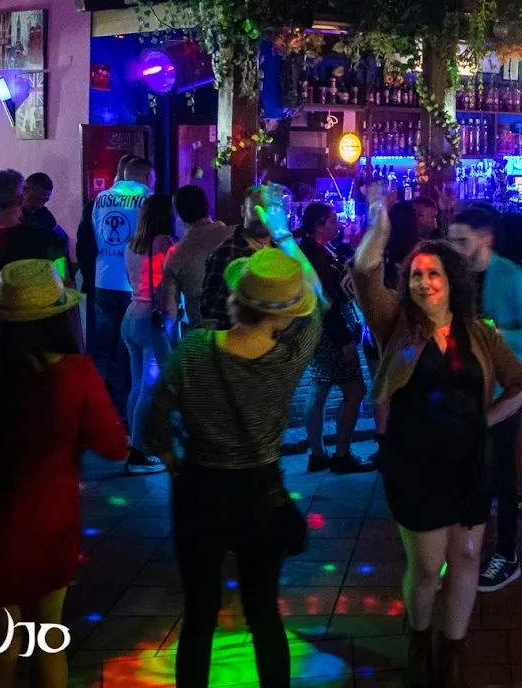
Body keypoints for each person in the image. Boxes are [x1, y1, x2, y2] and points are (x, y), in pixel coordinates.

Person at [350, 182, 522, 688]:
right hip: (415, 462)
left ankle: (452, 654)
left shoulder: (479, 332)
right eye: (416, 274)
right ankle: (420, 636)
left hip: (469, 460)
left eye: (434, 274)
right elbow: (364, 273)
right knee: (428, 568)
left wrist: (485, 421)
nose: (424, 282)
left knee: (468, 556)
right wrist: (379, 220)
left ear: (452, 280)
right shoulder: (395, 325)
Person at [144, 190, 327, 688]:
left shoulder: (195, 350)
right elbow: (320, 300)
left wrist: (173, 460)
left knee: (199, 614)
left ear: (236, 298)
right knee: (263, 611)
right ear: (284, 314)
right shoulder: (287, 359)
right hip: (259, 491)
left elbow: (151, 424)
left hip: (199, 490)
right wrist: (284, 233)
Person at [0, 260, 127, 688]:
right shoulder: (77, 373)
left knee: (1, 644)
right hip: (50, 521)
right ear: (58, 317)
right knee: (48, 639)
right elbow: (114, 445)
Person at [446, 204, 522, 592]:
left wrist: (498, 334)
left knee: (503, 477)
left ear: (485, 238)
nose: (454, 247)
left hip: (504, 392)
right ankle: (462, 551)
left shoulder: (511, 277)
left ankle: (506, 553)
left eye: (462, 240)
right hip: (462, 389)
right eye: (451, 240)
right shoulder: (454, 276)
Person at [0, 170, 68, 361]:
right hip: (35, 337)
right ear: (22, 195)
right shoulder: (49, 239)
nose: (40, 204)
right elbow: (63, 284)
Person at [297, 202, 372, 475]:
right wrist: (343, 341)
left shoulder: (316, 249)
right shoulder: (315, 256)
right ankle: (341, 454)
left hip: (317, 329)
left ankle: (317, 453)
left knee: (319, 387)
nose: (337, 224)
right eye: (331, 221)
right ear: (318, 225)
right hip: (331, 331)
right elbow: (327, 303)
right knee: (355, 390)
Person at [89, 157, 153, 416]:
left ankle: (93, 407)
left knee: (101, 349)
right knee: (127, 350)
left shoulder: (101, 198)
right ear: (147, 177)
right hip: (132, 282)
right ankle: (120, 410)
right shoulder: (147, 199)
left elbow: (95, 233)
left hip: (103, 280)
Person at [123, 194, 176, 474]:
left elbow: (131, 279)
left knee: (136, 386)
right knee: (151, 389)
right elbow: (169, 283)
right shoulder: (165, 243)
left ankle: (135, 441)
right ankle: (139, 453)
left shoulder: (132, 243)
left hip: (131, 315)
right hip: (152, 322)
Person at [196, 185, 280, 331]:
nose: (261, 216)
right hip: (241, 339)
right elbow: (210, 306)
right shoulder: (226, 252)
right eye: (255, 209)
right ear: (243, 211)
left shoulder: (280, 250)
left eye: (267, 209)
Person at [162, 185, 231, 333]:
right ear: (207, 205)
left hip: (202, 335)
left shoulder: (175, 254)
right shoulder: (236, 235)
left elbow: (170, 312)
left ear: (178, 215)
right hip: (242, 331)